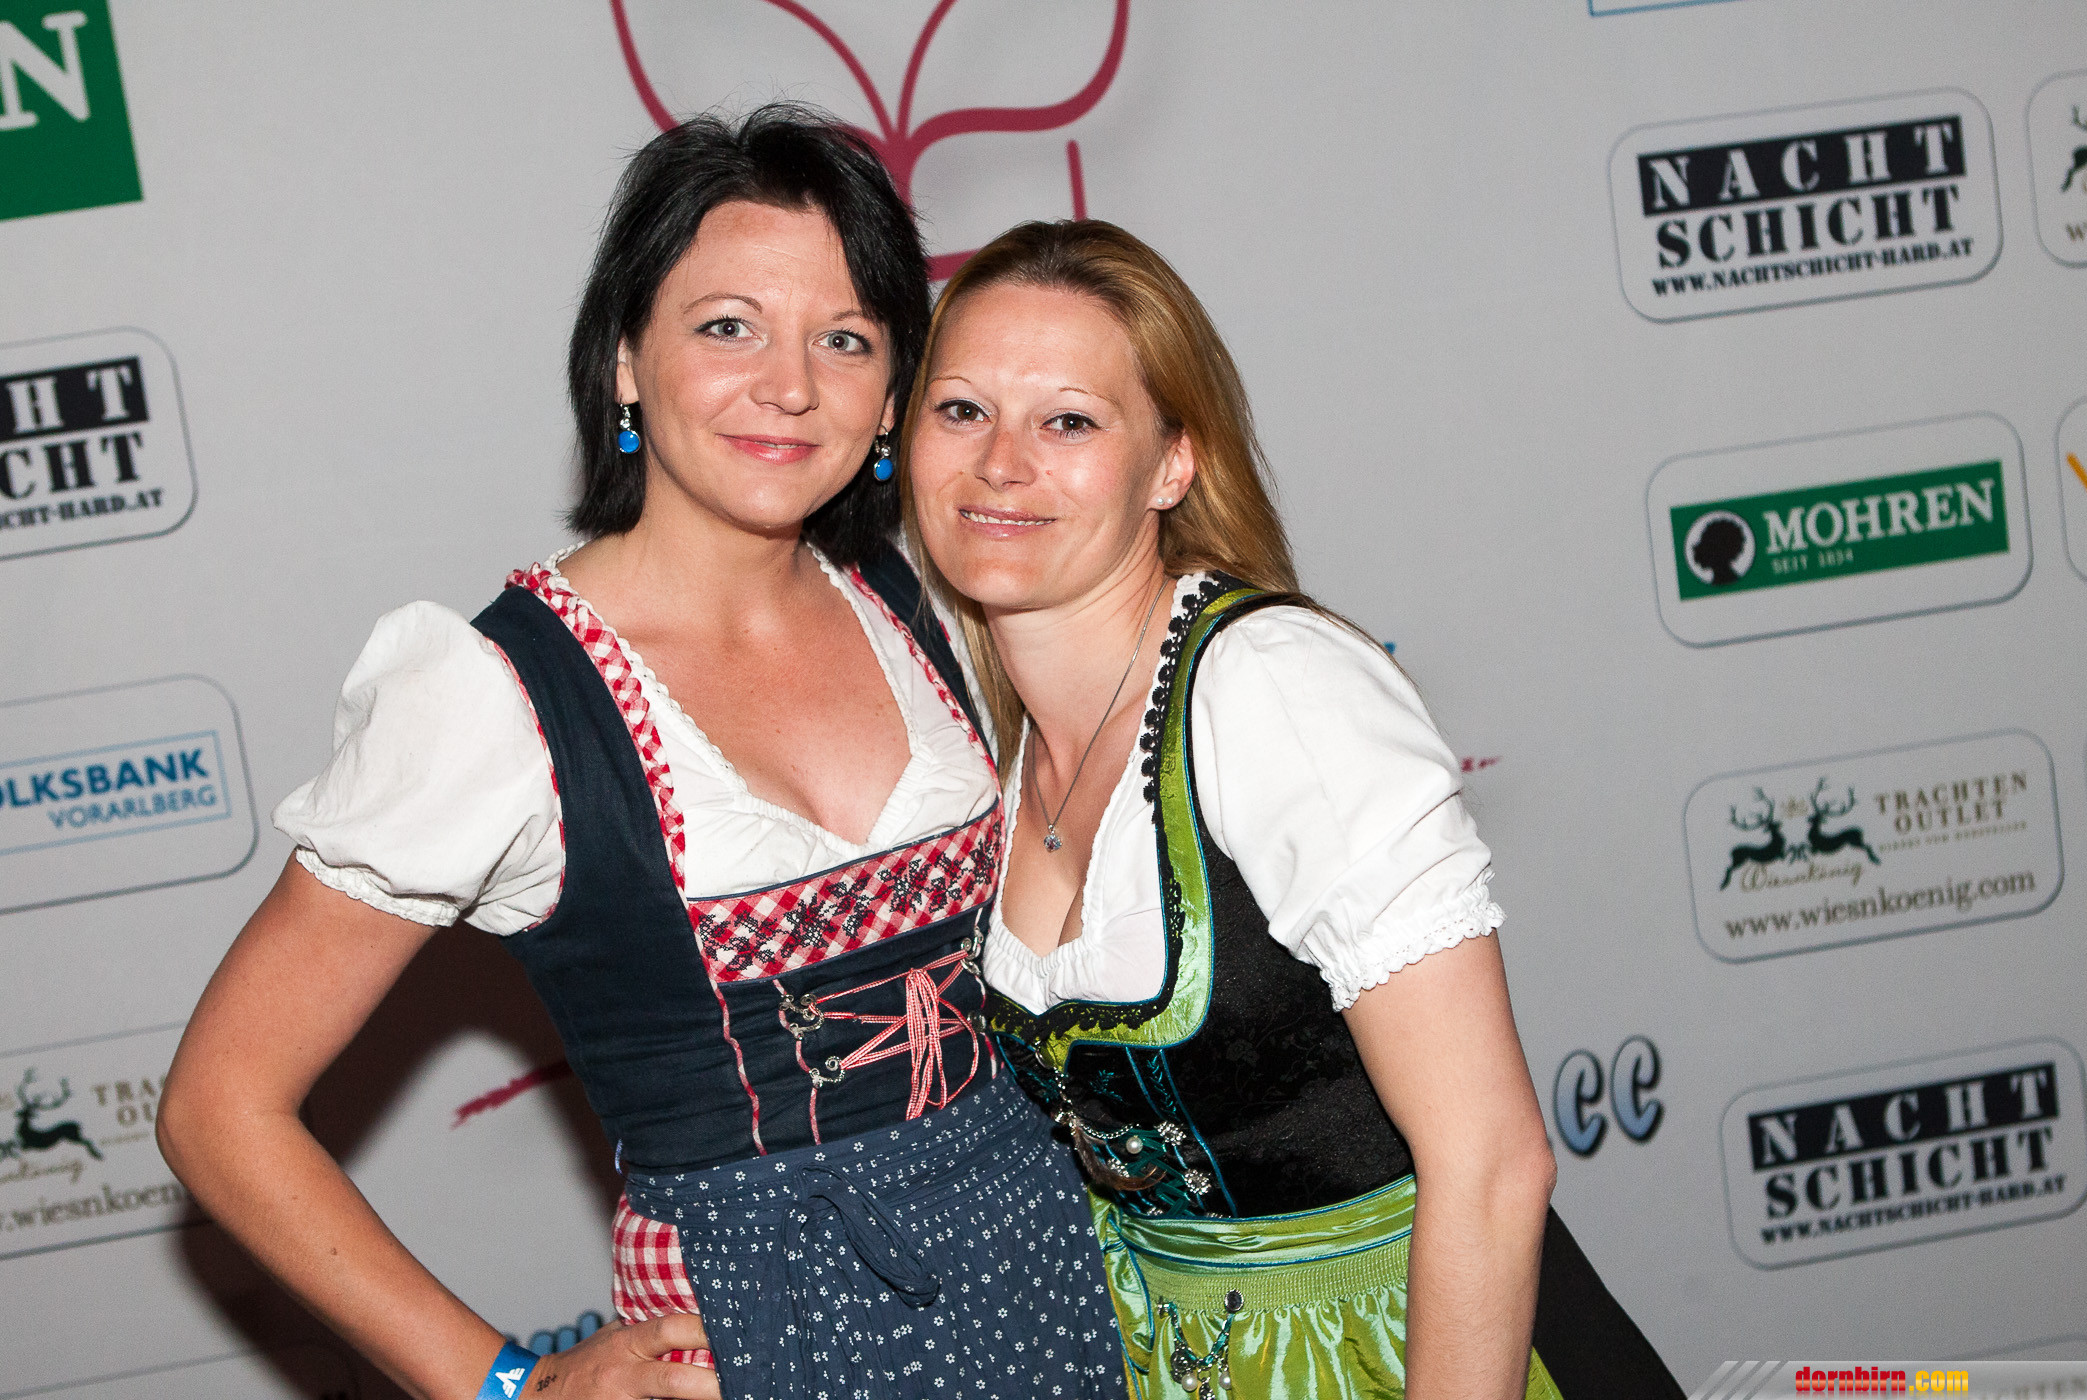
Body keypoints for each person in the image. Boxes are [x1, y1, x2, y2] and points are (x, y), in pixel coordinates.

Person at [158, 110, 1124, 1400]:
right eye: (728, 326)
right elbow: (218, 1106)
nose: (789, 385)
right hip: (755, 1336)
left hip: (1050, 1274)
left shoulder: (929, 599)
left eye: (844, 339)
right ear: (625, 359)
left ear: (893, 395)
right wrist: (504, 1384)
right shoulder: (498, 694)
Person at [903, 219, 1685, 1400]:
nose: (1001, 461)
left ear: (1172, 463)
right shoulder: (984, 735)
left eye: (1069, 421)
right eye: (962, 409)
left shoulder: (1273, 688)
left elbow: (1491, 1159)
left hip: (1410, 1348)